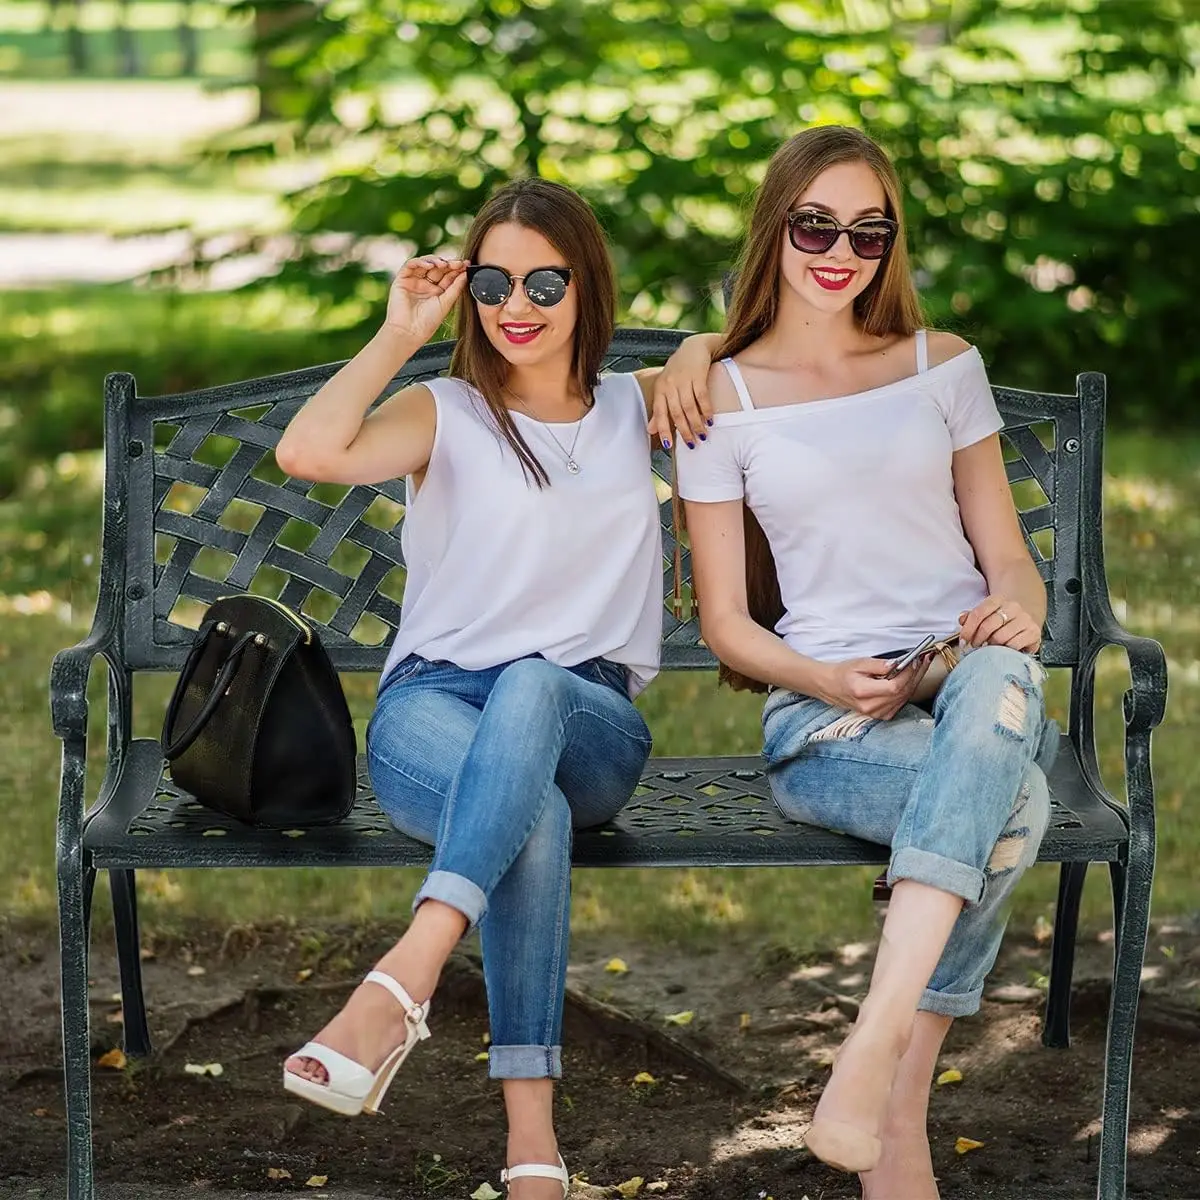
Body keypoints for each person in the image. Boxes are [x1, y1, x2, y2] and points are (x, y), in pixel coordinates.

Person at [654, 125, 1059, 1200]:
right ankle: (901, 1104)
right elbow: (732, 629)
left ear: (893, 243)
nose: (841, 250)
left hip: (970, 678)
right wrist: (827, 678)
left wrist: (1011, 612)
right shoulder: (720, 400)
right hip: (829, 723)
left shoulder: (944, 365)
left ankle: (877, 1060)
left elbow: (1009, 561)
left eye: (868, 230)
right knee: (1011, 809)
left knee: (999, 682)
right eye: (816, 224)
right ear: (775, 226)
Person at [274, 178, 675, 1200]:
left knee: (537, 690)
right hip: (433, 715)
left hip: (587, 716)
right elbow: (308, 451)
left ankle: (403, 976)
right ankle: (531, 1155)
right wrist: (400, 330)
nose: (517, 304)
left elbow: (766, 364)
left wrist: (705, 352)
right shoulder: (444, 410)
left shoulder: (641, 404)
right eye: (493, 281)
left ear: (588, 288)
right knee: (523, 808)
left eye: (546, 279)